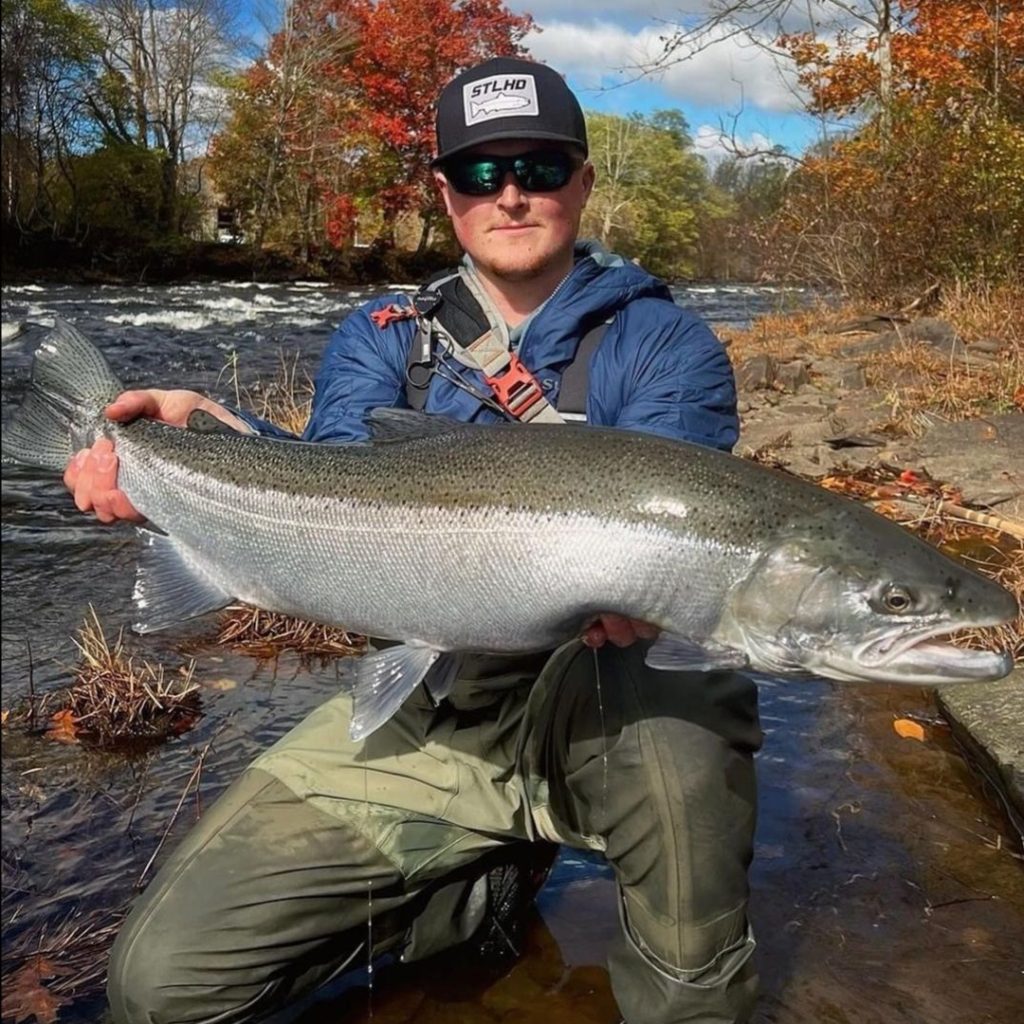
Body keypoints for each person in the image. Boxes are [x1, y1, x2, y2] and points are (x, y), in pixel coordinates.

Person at [66, 57, 762, 1024]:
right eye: (481, 173)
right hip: (436, 707)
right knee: (160, 986)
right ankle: (471, 896)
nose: (511, 193)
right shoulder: (385, 336)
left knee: (687, 707)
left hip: (604, 699)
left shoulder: (664, 344)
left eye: (542, 167)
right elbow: (336, 488)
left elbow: (671, 538)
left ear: (584, 182)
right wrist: (211, 440)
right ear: (445, 194)